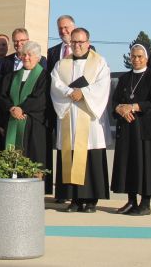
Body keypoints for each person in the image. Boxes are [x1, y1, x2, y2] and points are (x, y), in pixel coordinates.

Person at [51, 28, 111, 213]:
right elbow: (55, 84)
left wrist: (83, 93)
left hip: (89, 119)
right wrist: (70, 92)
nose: (77, 45)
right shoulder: (61, 64)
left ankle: (91, 200)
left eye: (81, 42)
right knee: (69, 155)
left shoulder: (99, 62)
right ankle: (74, 200)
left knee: (90, 157)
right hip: (70, 116)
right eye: (74, 42)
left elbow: (102, 86)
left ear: (88, 42)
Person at [111, 44, 151, 216]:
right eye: (133, 56)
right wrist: (120, 109)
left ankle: (145, 203)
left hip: (145, 130)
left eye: (139, 57)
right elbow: (114, 102)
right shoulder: (124, 79)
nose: (136, 60)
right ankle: (131, 201)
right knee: (129, 165)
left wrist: (133, 107)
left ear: (147, 58)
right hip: (127, 129)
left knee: (146, 166)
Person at [0, 41, 49, 168]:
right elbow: (2, 96)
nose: (26, 57)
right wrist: (12, 108)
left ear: (38, 58)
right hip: (12, 120)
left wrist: (22, 109)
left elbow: (40, 98)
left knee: (33, 158)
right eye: (24, 54)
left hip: (33, 124)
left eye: (30, 55)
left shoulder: (44, 76)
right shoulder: (11, 76)